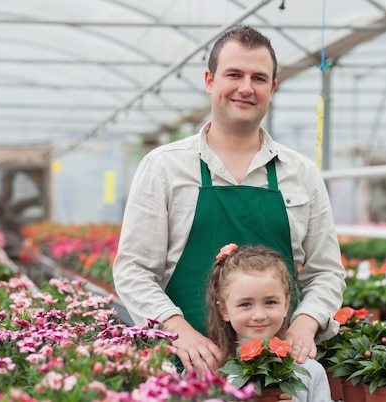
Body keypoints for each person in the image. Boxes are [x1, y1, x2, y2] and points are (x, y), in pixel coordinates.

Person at [112, 25, 345, 376]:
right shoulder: (164, 167)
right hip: (188, 367)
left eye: (259, 78)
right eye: (234, 74)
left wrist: (306, 323)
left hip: (281, 371)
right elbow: (133, 270)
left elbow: (325, 271)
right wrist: (181, 333)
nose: (246, 88)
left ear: (272, 88)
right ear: (209, 80)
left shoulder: (300, 172)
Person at [207, 243, 331, 401]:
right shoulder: (206, 370)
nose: (259, 315)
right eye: (245, 304)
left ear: (286, 305)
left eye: (270, 302)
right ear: (224, 310)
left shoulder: (308, 370)